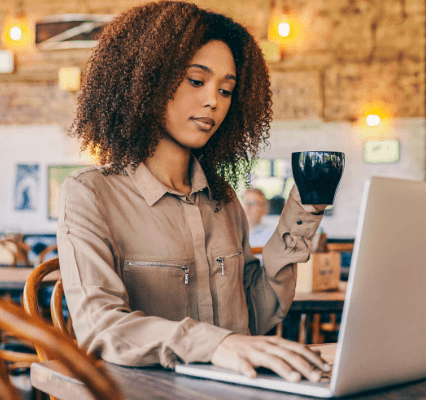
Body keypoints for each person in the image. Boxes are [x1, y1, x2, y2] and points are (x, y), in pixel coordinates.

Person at [58, 1, 329, 383]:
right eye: (196, 81)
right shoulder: (91, 195)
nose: (213, 101)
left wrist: (299, 218)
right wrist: (216, 344)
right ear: (147, 80)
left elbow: (258, 315)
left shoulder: (224, 200)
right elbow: (100, 326)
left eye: (226, 90)